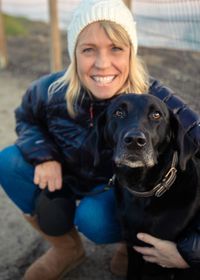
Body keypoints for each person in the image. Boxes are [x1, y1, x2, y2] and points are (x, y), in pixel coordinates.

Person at [0, 0, 199, 279]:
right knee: (8, 161)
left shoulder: (156, 100)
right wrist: (44, 155)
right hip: (69, 178)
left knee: (94, 219)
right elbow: (27, 118)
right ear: (74, 53)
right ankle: (65, 249)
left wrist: (193, 249)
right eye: (88, 49)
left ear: (131, 52)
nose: (102, 64)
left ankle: (128, 243)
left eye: (116, 48)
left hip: (115, 190)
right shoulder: (47, 89)